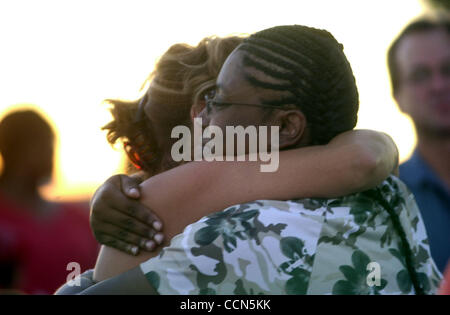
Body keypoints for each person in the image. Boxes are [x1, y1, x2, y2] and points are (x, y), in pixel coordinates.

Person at [57, 25, 440, 294]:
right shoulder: (387, 194)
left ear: (286, 124)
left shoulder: (245, 235)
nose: (202, 116)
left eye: (217, 100)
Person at [0, 110, 99, 294]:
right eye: (42, 144)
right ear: (11, 149)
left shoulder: (79, 220)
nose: (51, 154)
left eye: (51, 144)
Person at [387, 17, 450, 273]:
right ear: (398, 97)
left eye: (448, 70)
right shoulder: (388, 202)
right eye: (421, 75)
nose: (439, 86)